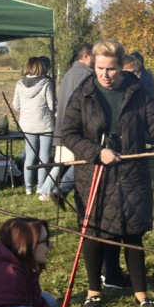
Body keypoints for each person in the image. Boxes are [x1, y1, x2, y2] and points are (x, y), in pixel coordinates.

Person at [62, 39, 154, 307]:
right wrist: (97, 152)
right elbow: (69, 133)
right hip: (94, 172)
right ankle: (94, 291)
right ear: (93, 65)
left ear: (122, 67)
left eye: (111, 69)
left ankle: (141, 292)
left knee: (133, 232)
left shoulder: (137, 91)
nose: (105, 75)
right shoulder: (83, 93)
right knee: (96, 231)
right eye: (100, 68)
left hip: (131, 172)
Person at [39, 43, 94, 202]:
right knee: (66, 162)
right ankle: (48, 190)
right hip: (73, 126)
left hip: (64, 123)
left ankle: (51, 190)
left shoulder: (71, 72)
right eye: (94, 57)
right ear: (86, 56)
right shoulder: (85, 75)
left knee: (64, 161)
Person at [11, 56, 56, 197]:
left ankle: (28, 187)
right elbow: (52, 105)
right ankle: (41, 186)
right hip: (45, 125)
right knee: (44, 157)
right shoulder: (46, 83)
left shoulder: (20, 83)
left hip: (27, 125)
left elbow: (16, 105)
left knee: (29, 157)